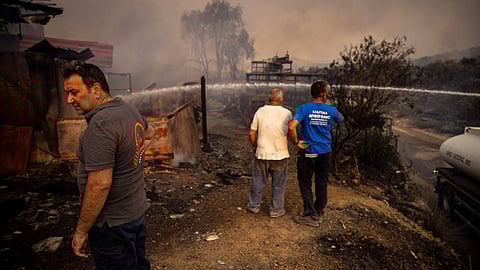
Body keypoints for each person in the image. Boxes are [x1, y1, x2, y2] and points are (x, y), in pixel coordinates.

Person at [63, 63, 151, 269]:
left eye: (74, 92)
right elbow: (150, 133)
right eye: (67, 93)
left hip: (112, 225)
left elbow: (100, 184)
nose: (69, 100)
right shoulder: (127, 108)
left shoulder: (101, 125)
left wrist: (81, 230)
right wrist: (134, 158)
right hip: (135, 215)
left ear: (96, 90)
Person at [288, 80, 343, 227]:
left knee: (305, 181)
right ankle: (318, 211)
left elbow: (292, 127)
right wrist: (328, 108)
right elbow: (340, 119)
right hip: (324, 152)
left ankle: (310, 215)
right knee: (321, 182)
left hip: (308, 152)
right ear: (324, 94)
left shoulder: (304, 108)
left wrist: (295, 142)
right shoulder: (331, 109)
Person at [247, 88, 293, 218]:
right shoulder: (287, 113)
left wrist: (256, 146)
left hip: (262, 153)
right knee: (279, 184)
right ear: (282, 99)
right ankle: (276, 210)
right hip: (280, 155)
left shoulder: (260, 111)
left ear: (268, 98)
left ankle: (253, 206)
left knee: (258, 181)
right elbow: (291, 131)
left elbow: (251, 133)